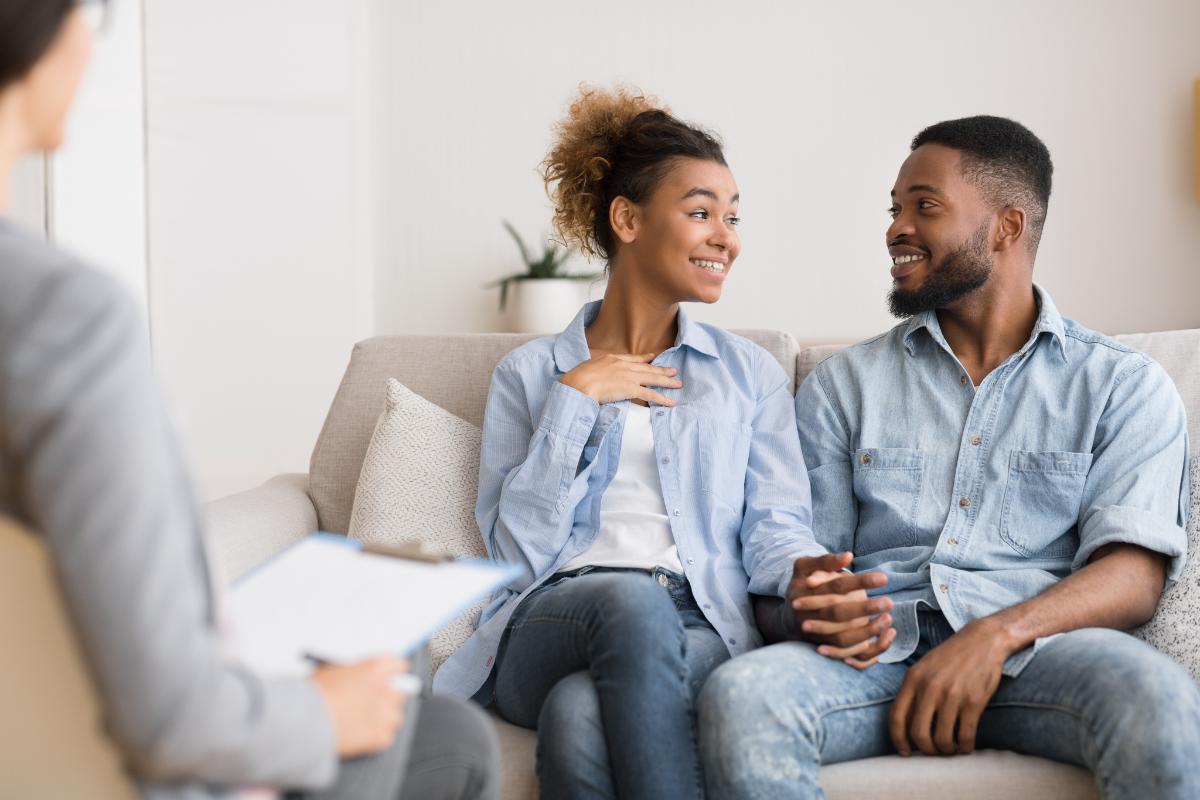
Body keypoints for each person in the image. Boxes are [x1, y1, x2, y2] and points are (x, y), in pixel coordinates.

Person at [0, 2, 498, 797]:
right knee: (385, 657)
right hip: (147, 763)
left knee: (452, 735)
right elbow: (173, 722)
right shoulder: (62, 322)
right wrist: (320, 714)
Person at [698, 115, 1199, 799]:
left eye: (924, 207)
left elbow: (1134, 573)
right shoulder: (845, 386)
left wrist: (994, 637)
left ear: (1007, 226)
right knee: (743, 694)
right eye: (895, 209)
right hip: (875, 659)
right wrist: (811, 602)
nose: (896, 228)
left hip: (1042, 657)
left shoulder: (1121, 385)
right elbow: (788, 573)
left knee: (1157, 698)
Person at [433, 86, 893, 799]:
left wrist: (810, 574)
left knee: (578, 715)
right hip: (554, 620)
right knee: (628, 605)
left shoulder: (748, 375)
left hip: (696, 618)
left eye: (732, 217)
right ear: (627, 219)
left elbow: (775, 526)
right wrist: (574, 402)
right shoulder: (531, 375)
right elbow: (514, 554)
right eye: (701, 212)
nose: (726, 237)